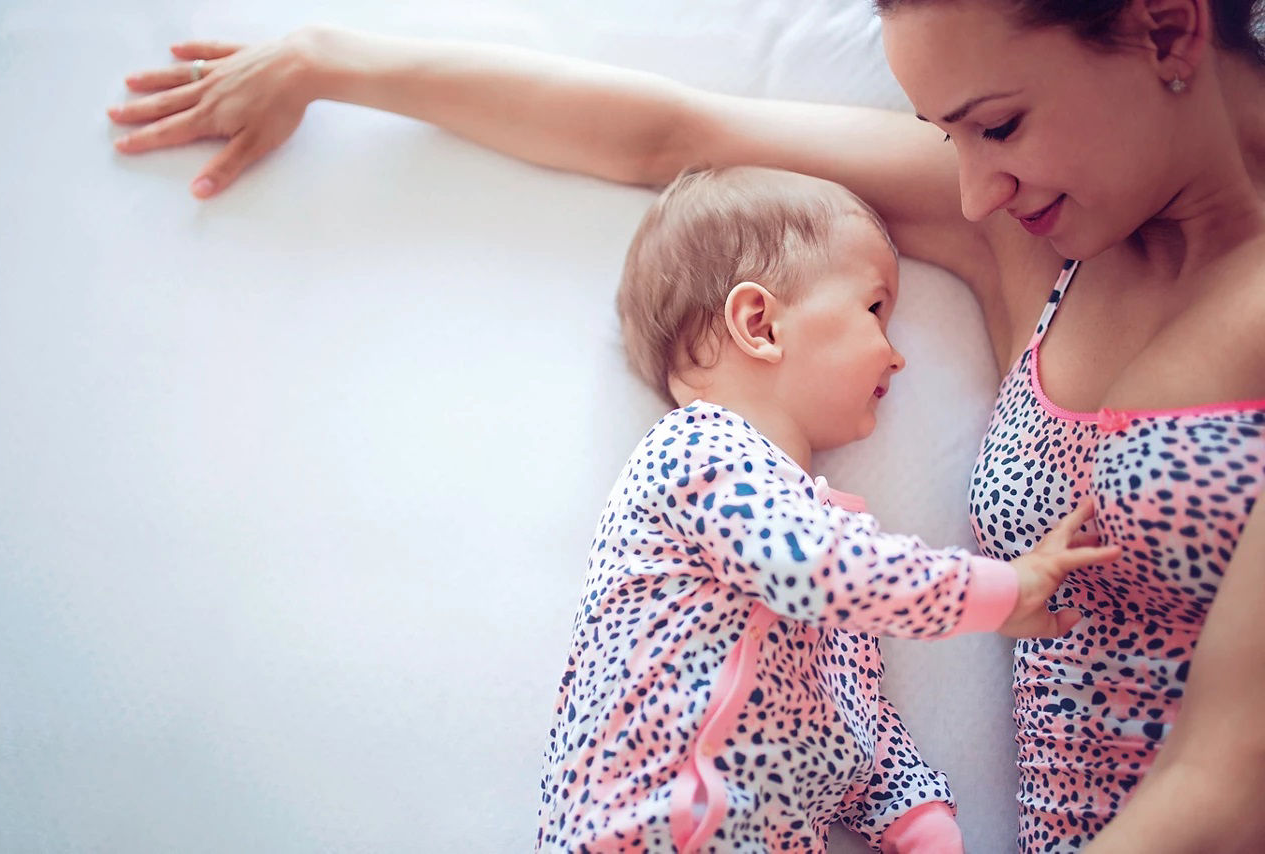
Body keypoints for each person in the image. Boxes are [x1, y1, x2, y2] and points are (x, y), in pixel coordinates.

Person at [109, 2, 1265, 850]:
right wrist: (337, 58)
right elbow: (677, 140)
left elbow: (1224, 776)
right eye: (945, 133)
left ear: (1166, 29)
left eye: (995, 125)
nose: (968, 190)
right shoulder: (1036, 237)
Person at [539, 164, 1114, 853]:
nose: (898, 358)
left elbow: (849, 726)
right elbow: (819, 570)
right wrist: (1001, 588)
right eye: (874, 310)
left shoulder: (831, 538)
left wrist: (917, 816)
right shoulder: (695, 453)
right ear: (760, 324)